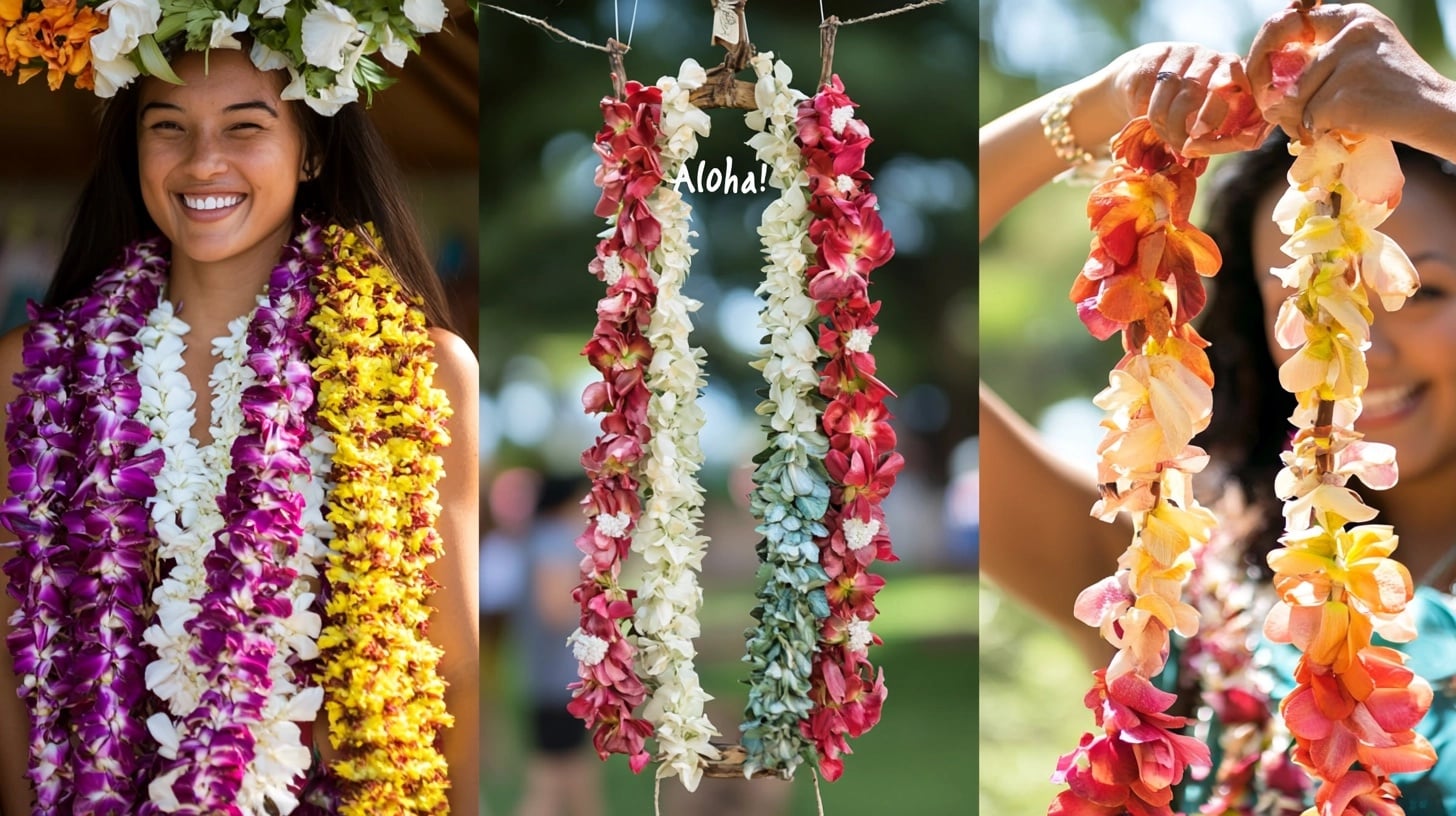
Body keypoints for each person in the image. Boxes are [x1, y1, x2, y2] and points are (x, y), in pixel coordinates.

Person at [981, 4, 1456, 812]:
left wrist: (1432, 110)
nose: (1363, 344)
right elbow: (855, 314)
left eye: (1422, 291)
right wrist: (1103, 106)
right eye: (1308, 298)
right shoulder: (1179, 571)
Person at [0, 26, 478, 816]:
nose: (202, 163)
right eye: (168, 127)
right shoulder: (28, 374)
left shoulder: (419, 371)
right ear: (135, 149)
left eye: (245, 126)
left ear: (314, 149)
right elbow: (11, 670)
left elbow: (453, 671)